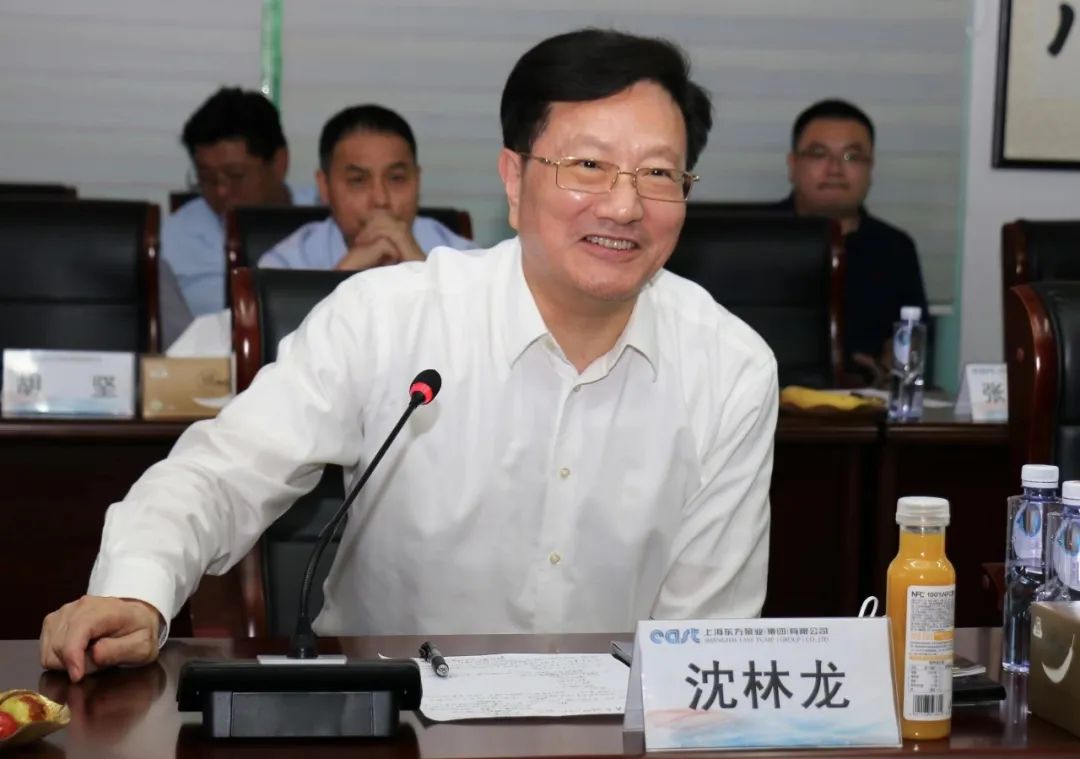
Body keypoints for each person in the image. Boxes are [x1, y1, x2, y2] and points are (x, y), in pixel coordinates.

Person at [40, 28, 778, 682]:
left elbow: (706, 642)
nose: (624, 205)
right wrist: (136, 589)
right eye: (588, 165)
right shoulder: (386, 317)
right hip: (391, 720)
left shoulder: (731, 370)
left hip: (613, 730)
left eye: (658, 174)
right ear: (514, 179)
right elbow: (221, 474)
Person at [778, 98, 929, 384]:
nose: (835, 168)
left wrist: (890, 366)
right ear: (793, 165)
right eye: (819, 154)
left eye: (851, 157)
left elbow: (914, 343)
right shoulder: (756, 238)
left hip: (865, 403)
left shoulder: (896, 249)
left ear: (870, 169)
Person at [162, 87, 319, 317]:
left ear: (279, 163)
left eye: (236, 175)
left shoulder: (327, 219)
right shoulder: (173, 236)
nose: (221, 190)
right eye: (206, 177)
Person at [259, 104, 474, 272]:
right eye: (358, 180)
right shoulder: (286, 264)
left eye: (396, 178)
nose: (380, 200)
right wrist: (344, 274)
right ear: (324, 186)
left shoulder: (464, 258)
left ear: (417, 181)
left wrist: (421, 270)